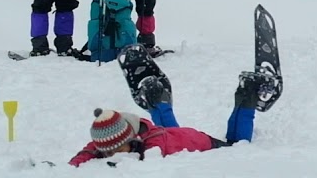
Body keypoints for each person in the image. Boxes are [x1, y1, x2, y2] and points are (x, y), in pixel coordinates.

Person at [69, 70, 266, 166]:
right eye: (108, 153)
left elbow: (146, 161)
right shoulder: (114, 137)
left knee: (237, 145)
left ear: (130, 139)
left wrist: (116, 165)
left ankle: (248, 96)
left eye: (118, 151)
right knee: (166, 131)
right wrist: (73, 165)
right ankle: (157, 97)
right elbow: (90, 150)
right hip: (173, 134)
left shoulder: (153, 145)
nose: (114, 155)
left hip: (200, 142)